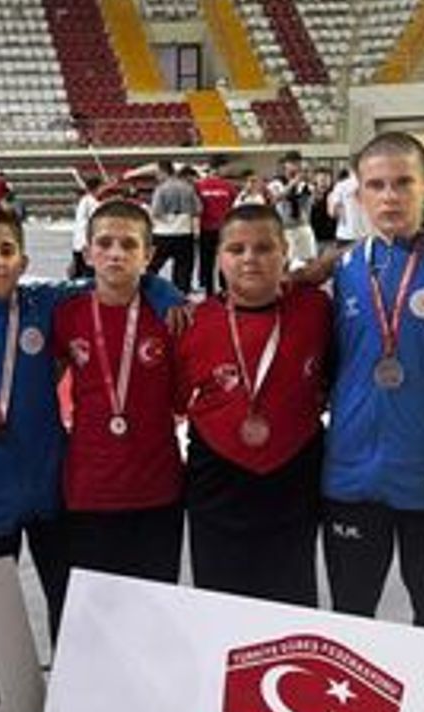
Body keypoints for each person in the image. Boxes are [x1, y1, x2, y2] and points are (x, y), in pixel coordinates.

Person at [0, 209, 182, 640]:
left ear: (24, 262)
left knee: (68, 603)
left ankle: (68, 677)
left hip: (50, 486)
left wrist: (163, 290)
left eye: (7, 251)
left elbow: (114, 279)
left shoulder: (45, 305)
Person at [322, 132, 424, 632]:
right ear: (358, 194)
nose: (390, 197)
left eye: (403, 182)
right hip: (351, 472)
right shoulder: (343, 270)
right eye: (376, 185)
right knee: (351, 619)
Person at [176, 203, 331, 605]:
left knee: (292, 595)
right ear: (219, 256)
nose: (250, 258)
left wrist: (316, 269)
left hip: (294, 471)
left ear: (285, 251)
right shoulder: (192, 321)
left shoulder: (316, 309)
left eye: (264, 248)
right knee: (220, 600)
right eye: (236, 249)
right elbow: (175, 399)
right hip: (217, 476)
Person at [53, 200, 185, 584]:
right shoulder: (65, 314)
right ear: (87, 252)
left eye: (129, 244)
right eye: (105, 243)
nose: (115, 253)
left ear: (149, 255)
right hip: (89, 487)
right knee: (97, 605)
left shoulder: (171, 317)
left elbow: (184, 396)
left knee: (155, 602)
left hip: (157, 487)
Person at [146, 160, 201, 294]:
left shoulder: (161, 188)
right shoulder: (188, 188)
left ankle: (147, 291)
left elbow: (156, 212)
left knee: (152, 266)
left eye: (157, 173)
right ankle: (180, 296)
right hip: (184, 232)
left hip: (162, 234)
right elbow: (198, 209)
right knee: (183, 268)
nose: (156, 176)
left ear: (163, 172)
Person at [194, 159, 238, 296]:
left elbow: (196, 207)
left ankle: (210, 290)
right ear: (219, 169)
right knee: (225, 257)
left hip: (208, 228)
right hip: (222, 228)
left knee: (207, 260)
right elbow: (233, 204)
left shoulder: (199, 186)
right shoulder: (228, 186)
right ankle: (224, 287)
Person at [270, 151, 316, 265]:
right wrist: (293, 183)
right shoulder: (276, 182)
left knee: (309, 260)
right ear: (285, 164)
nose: (296, 166)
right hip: (285, 228)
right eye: (292, 163)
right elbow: (275, 199)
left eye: (298, 163)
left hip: (303, 226)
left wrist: (308, 186)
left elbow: (308, 203)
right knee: (287, 262)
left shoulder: (304, 184)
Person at [70, 176, 102, 279]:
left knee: (78, 272)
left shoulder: (84, 200)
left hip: (78, 241)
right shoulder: (90, 202)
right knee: (88, 273)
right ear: (97, 188)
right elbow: (99, 215)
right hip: (84, 243)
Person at [327, 166, 367, 248]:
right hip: (366, 234)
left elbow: (332, 212)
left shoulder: (341, 186)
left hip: (346, 234)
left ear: (350, 170)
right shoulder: (370, 184)